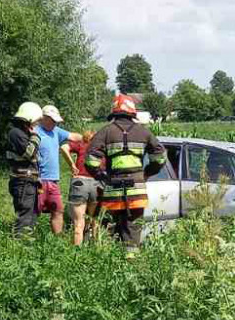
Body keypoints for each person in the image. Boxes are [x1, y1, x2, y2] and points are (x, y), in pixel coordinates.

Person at [85, 94, 166, 248]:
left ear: (114, 112)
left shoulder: (105, 132)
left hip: (113, 189)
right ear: (132, 112)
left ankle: (117, 264)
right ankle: (131, 262)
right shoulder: (144, 132)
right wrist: (147, 173)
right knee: (133, 229)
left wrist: (102, 176)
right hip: (137, 189)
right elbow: (160, 158)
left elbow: (90, 161)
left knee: (114, 228)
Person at [34, 105, 82, 234]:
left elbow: (73, 136)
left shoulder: (56, 131)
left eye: (56, 121)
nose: (55, 123)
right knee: (34, 210)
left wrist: (89, 138)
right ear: (43, 118)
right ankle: (28, 238)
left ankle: (57, 240)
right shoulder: (35, 132)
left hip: (54, 181)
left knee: (58, 210)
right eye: (52, 120)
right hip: (39, 179)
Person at [6, 102, 43, 236]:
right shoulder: (16, 133)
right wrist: (35, 137)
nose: (36, 125)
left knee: (31, 215)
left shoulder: (21, 133)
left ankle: (27, 242)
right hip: (23, 181)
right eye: (36, 121)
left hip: (28, 181)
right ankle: (21, 244)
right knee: (25, 216)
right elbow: (29, 153)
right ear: (29, 119)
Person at [61, 130, 104, 246]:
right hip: (97, 183)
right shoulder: (102, 149)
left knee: (78, 224)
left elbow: (64, 147)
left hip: (80, 182)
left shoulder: (81, 144)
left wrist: (72, 165)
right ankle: (96, 249)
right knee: (95, 221)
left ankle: (77, 253)